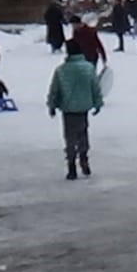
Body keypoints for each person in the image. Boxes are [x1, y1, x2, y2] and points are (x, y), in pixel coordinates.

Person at [47, 41, 103, 180]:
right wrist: (98, 103)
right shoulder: (88, 68)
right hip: (83, 108)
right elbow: (95, 87)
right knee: (83, 134)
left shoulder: (61, 70)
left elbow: (55, 89)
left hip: (68, 109)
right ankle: (84, 158)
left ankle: (71, 166)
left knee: (70, 137)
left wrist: (52, 105)